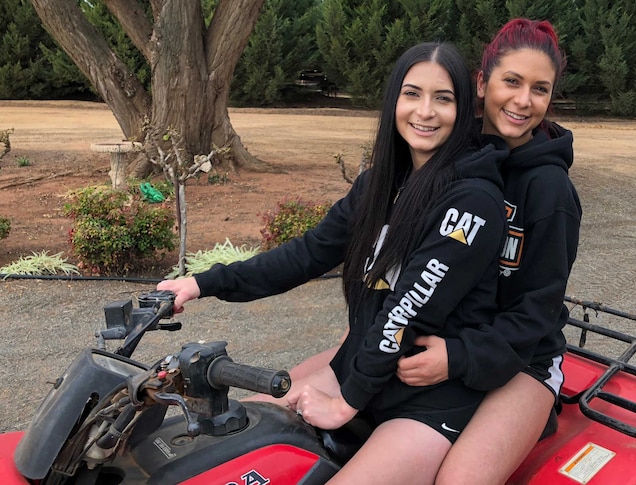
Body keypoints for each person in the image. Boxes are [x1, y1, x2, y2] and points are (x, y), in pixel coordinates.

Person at [157, 42, 509, 485]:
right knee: (240, 448)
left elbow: (408, 307)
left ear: (463, 109)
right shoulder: (381, 185)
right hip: (365, 375)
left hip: (426, 401)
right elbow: (306, 254)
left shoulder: (472, 201)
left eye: (444, 98)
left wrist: (347, 402)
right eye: (412, 94)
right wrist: (203, 283)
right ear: (393, 101)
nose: (426, 111)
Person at [395, 18, 582, 484]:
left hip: (523, 362)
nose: (523, 101)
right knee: (291, 404)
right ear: (482, 83)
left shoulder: (550, 190)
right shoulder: (451, 154)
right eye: (512, 81)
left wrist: (458, 357)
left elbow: (536, 313)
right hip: (444, 336)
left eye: (540, 89)